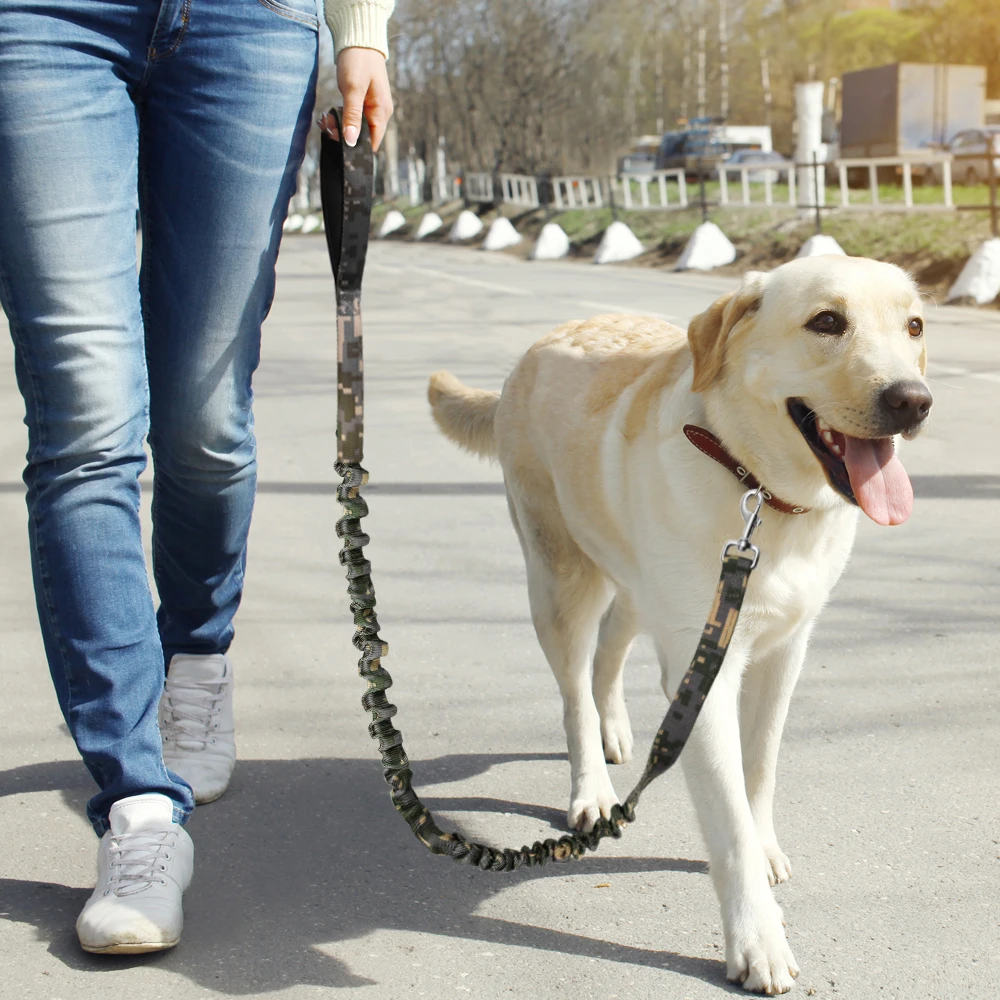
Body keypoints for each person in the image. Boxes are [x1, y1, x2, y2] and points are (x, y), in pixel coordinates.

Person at [0, 0, 393, 954]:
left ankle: (198, 658)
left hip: (250, 22)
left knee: (204, 423)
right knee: (87, 421)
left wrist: (362, 29)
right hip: (42, 20)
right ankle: (138, 806)